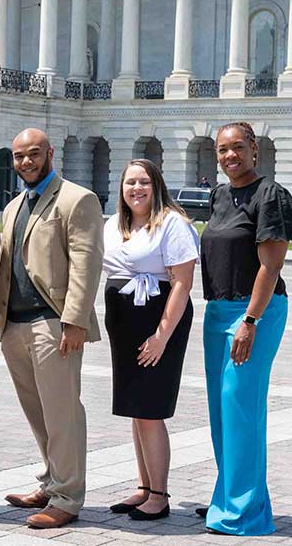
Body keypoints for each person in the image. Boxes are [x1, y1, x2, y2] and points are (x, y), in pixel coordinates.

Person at [0, 128, 103, 529]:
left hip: (53, 323)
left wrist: (74, 321)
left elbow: (86, 265)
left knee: (63, 414)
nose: (26, 162)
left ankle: (68, 498)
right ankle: (52, 480)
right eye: (19, 155)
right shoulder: (14, 206)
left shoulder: (77, 199)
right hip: (14, 325)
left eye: (34, 154)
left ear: (50, 153)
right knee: (39, 414)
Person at [197, 122, 292, 536]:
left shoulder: (270, 195)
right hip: (218, 311)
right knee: (222, 414)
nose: (229, 156)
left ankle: (245, 513)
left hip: (254, 313)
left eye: (238, 147)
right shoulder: (219, 194)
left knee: (241, 409)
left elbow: (271, 265)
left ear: (254, 150)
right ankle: (229, 498)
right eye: (223, 150)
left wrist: (250, 322)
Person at [103, 159, 199, 521]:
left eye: (143, 182)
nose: (136, 189)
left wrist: (161, 336)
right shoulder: (114, 224)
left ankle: (159, 494)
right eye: (130, 183)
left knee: (150, 410)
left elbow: (182, 284)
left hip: (158, 320)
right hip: (123, 321)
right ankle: (144, 486)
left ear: (156, 185)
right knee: (135, 409)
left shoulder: (172, 224)